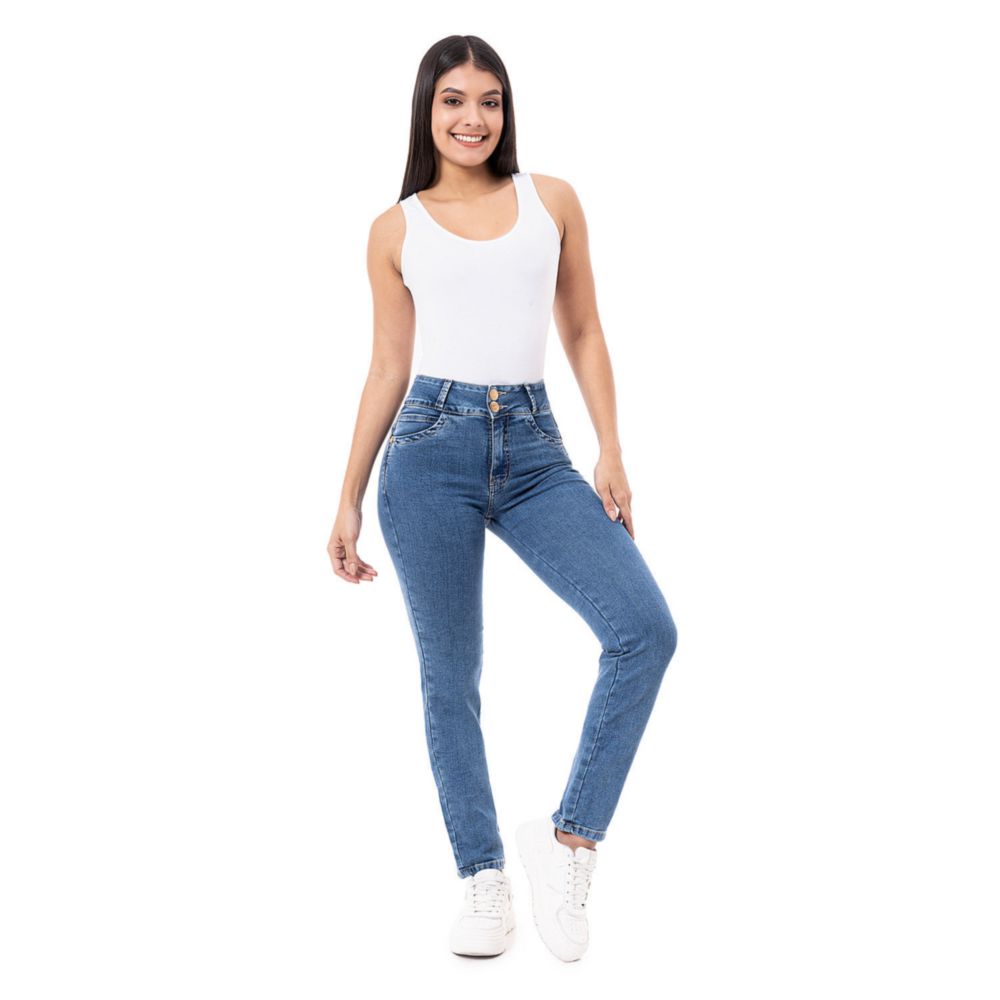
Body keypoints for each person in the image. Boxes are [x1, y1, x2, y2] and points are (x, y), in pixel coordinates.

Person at [328, 35, 678, 962]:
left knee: (645, 630)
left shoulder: (550, 201)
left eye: (489, 100)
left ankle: (568, 841)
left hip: (535, 449)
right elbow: (387, 366)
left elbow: (584, 328)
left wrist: (610, 448)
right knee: (450, 677)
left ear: (506, 109)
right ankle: (482, 878)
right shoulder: (395, 228)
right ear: (427, 110)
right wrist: (348, 497)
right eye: (453, 100)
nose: (472, 118)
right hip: (427, 452)